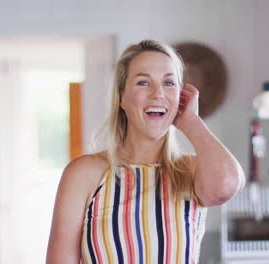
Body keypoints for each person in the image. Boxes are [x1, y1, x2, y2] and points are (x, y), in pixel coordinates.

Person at [46, 39, 245, 264]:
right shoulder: (84, 174)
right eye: (143, 83)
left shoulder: (191, 172)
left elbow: (227, 185)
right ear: (122, 97)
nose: (158, 93)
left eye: (169, 83)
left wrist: (191, 122)